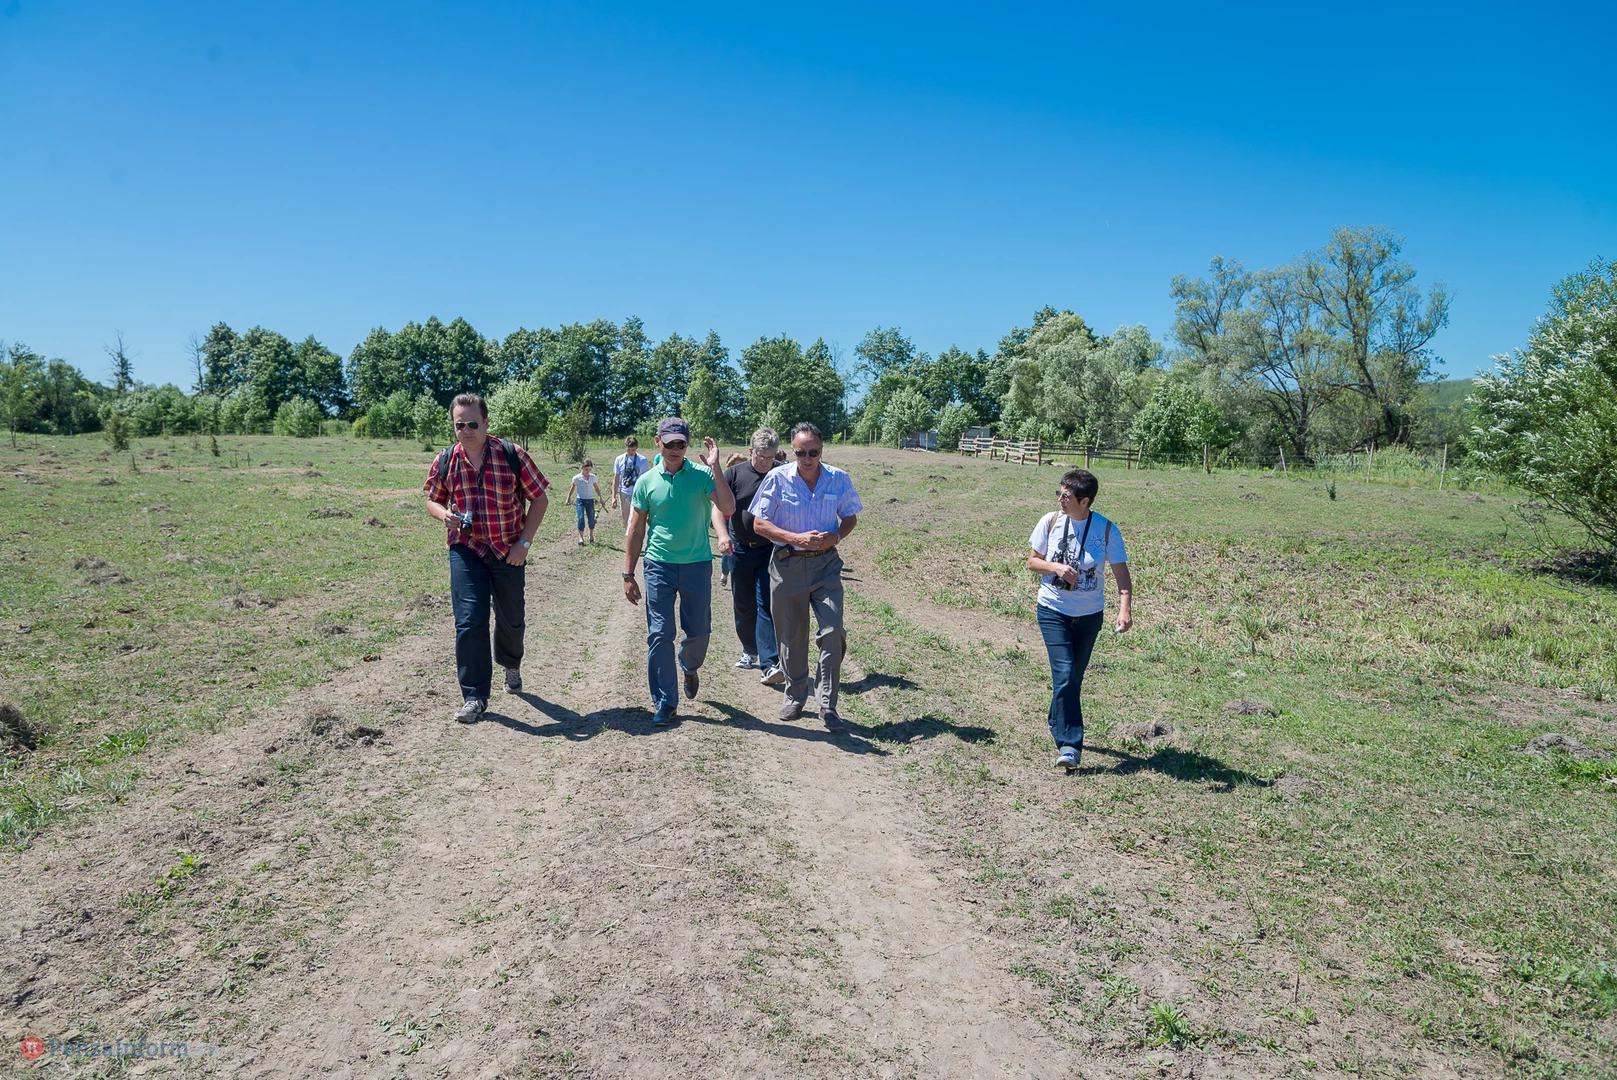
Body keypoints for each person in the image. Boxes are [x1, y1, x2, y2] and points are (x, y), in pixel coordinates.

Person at [422, 393, 550, 724]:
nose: (466, 430)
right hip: (467, 548)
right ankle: (474, 696)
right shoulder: (446, 459)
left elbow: (539, 499)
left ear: (486, 422)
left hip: (508, 549)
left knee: (511, 619)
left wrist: (524, 543)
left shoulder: (511, 454)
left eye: (472, 424)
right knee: (469, 620)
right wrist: (444, 515)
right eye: (459, 425)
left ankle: (511, 664)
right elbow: (433, 500)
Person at [622, 418, 737, 726]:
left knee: (699, 632)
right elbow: (636, 531)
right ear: (657, 442)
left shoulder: (702, 475)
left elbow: (728, 507)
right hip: (658, 565)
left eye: (681, 444)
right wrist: (628, 574)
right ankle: (665, 702)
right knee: (660, 634)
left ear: (687, 445)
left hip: (696, 565)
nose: (675, 449)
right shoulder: (646, 482)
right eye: (670, 443)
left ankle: (689, 665)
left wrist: (715, 467)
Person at [750, 423, 863, 731]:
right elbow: (760, 524)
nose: (808, 459)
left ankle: (827, 704)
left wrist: (835, 537)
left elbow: (850, 516)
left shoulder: (838, 478)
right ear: (793, 451)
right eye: (801, 453)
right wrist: (795, 538)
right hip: (787, 565)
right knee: (792, 636)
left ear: (822, 451)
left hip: (826, 566)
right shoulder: (777, 478)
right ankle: (796, 696)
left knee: (833, 631)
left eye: (814, 452)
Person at [1026, 468, 1132, 770]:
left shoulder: (1106, 530)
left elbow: (1121, 574)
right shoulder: (1049, 521)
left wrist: (1125, 608)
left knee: (1073, 677)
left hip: (1089, 615)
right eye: (1059, 493)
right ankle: (1070, 746)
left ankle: (1057, 718)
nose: (1060, 499)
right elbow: (1032, 562)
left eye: (1066, 496)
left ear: (1084, 501)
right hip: (1052, 610)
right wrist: (1056, 568)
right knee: (1065, 672)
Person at [716, 429, 784, 684]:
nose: (765, 462)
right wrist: (723, 535)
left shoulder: (782, 473)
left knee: (766, 604)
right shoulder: (734, 474)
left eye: (769, 457)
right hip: (739, 549)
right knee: (743, 605)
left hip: (770, 550)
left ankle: (770, 663)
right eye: (760, 456)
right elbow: (717, 509)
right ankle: (749, 649)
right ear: (750, 451)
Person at [718, 452, 748, 587]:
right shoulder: (725, 481)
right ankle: (725, 573)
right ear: (729, 466)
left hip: (740, 520)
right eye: (736, 466)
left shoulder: (747, 481)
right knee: (728, 548)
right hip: (727, 519)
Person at [612, 436, 651, 532]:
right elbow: (616, 479)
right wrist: (614, 497)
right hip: (624, 493)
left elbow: (647, 479)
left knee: (634, 519)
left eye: (633, 450)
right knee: (625, 518)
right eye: (628, 449)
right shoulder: (619, 459)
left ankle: (633, 536)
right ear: (625, 447)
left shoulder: (643, 460)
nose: (630, 452)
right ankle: (628, 535)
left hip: (638, 494)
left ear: (636, 448)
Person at [565, 459, 601, 545]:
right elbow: (572, 488)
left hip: (590, 500)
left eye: (590, 469)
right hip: (580, 500)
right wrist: (568, 498)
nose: (588, 471)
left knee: (591, 519)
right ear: (582, 467)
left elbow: (596, 488)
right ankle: (580, 537)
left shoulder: (592, 477)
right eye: (586, 469)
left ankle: (591, 535)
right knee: (581, 518)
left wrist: (600, 498)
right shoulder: (576, 478)